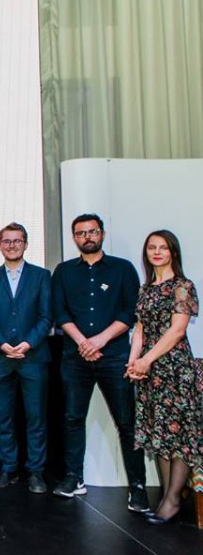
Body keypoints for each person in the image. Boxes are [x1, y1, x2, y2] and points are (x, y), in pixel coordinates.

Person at [51, 213, 148, 512]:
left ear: (102, 234)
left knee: (126, 423)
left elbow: (130, 311)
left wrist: (100, 340)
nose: (87, 237)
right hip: (75, 356)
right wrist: (84, 342)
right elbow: (60, 312)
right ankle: (74, 477)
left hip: (115, 356)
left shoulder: (123, 269)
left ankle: (138, 487)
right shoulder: (64, 271)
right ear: (74, 238)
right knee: (72, 418)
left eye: (92, 231)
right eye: (81, 233)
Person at [126, 230, 201, 525]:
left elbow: (177, 331)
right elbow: (140, 329)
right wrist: (134, 361)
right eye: (152, 248)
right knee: (158, 431)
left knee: (178, 433)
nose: (157, 252)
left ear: (173, 252)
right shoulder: (146, 289)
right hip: (150, 372)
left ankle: (172, 500)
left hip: (175, 368)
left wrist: (146, 359)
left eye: (163, 248)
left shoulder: (182, 286)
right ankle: (168, 497)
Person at [0, 222, 52, 494]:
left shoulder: (41, 276)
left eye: (17, 241)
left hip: (33, 357)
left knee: (36, 418)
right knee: (3, 418)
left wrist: (27, 343)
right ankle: (8, 467)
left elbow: (46, 317)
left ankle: (35, 471)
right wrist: (2, 344)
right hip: (0, 358)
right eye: (7, 241)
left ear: (26, 244)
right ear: (0, 245)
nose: (12, 245)